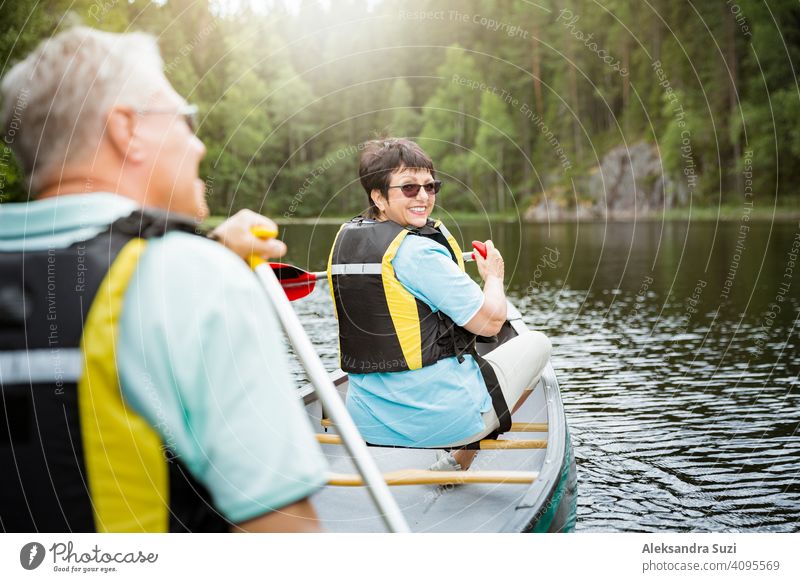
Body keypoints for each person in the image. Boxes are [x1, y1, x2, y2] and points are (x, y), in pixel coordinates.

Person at [0, 27, 327, 532]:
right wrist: (204, 264)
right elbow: (283, 534)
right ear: (126, 129)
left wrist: (206, 252)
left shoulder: (181, 270)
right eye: (184, 119)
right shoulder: (193, 279)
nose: (197, 145)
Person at [327, 138, 552, 471]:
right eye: (408, 188)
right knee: (538, 344)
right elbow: (490, 323)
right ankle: (460, 459)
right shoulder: (418, 253)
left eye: (430, 187)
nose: (423, 196)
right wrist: (493, 278)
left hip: (366, 422)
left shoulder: (345, 243)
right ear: (378, 195)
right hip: (440, 424)